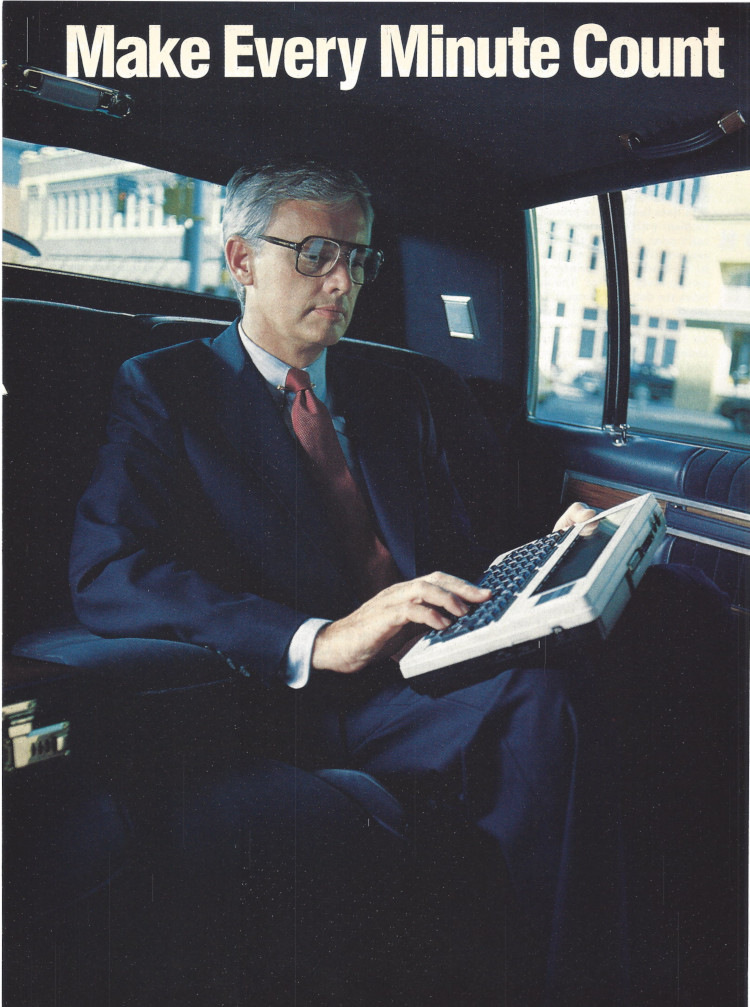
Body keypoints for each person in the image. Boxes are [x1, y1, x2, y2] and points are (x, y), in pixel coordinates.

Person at [69, 160, 733, 1005]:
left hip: (455, 638)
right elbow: (109, 570)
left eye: (359, 259)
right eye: (316, 254)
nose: (344, 282)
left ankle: (712, 931)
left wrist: (552, 546)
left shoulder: (399, 387)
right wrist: (319, 638)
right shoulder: (165, 389)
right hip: (326, 691)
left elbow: (469, 537)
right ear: (241, 259)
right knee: (541, 702)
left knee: (680, 601)